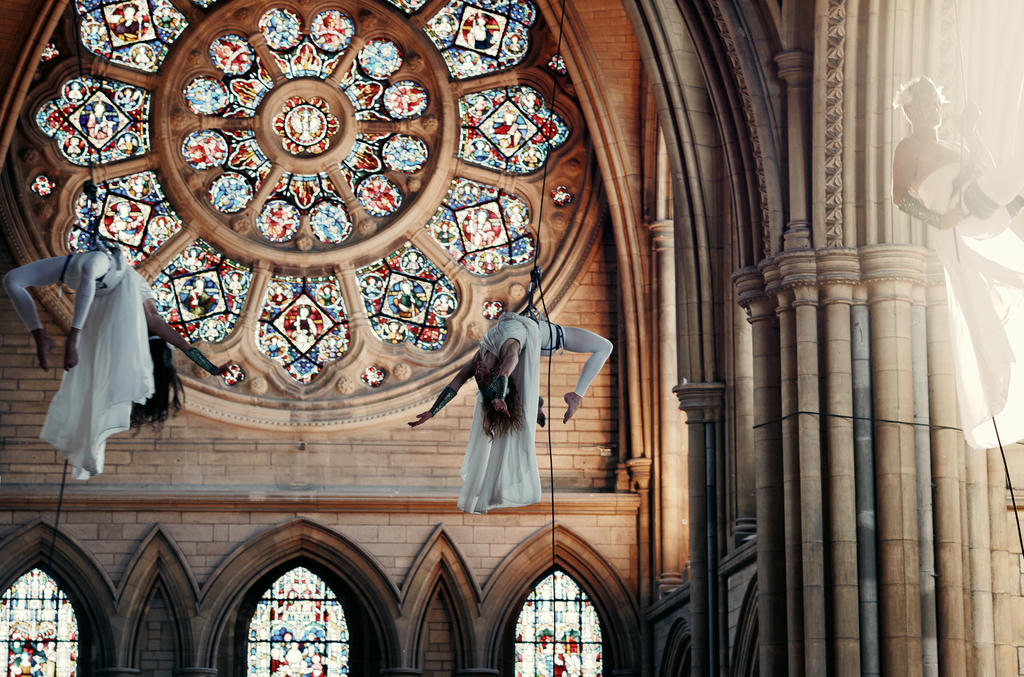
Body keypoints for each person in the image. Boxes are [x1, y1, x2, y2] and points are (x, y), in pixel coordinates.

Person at [3, 238, 228, 479]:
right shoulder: (132, 294)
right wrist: (208, 365)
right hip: (88, 272)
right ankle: (40, 337)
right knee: (12, 280)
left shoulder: (125, 310)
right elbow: (163, 329)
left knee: (74, 272)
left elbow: (157, 324)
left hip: (90, 275)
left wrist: (73, 339)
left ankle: (46, 337)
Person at [892, 75, 1024, 449]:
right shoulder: (908, 147)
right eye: (925, 103)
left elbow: (987, 168)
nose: (933, 109)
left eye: (936, 102)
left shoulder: (953, 144)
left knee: (1010, 176)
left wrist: (973, 133)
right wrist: (938, 219)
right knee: (1013, 174)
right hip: (956, 223)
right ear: (910, 110)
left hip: (979, 207)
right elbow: (899, 196)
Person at [408, 311, 613, 514]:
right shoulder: (508, 350)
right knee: (605, 347)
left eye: (478, 376)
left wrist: (432, 411)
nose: (478, 371)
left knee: (523, 383)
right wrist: (498, 395)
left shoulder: (481, 356)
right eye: (483, 374)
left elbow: (456, 383)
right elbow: (509, 366)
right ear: (495, 372)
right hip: (556, 338)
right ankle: (575, 396)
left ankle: (536, 405)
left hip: (533, 332)